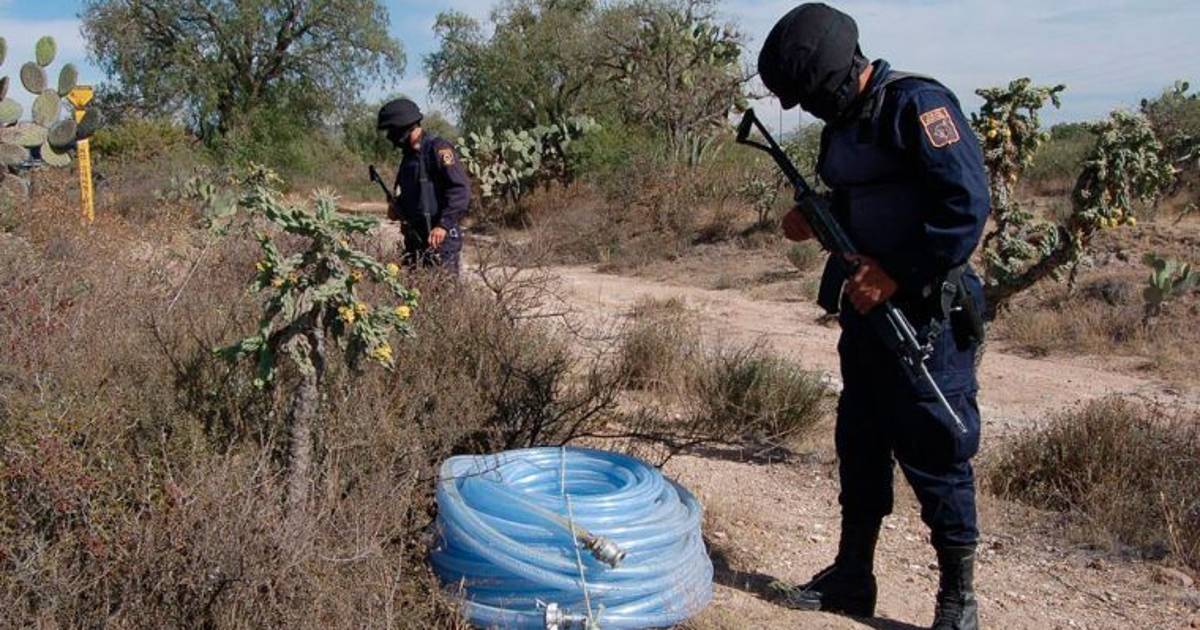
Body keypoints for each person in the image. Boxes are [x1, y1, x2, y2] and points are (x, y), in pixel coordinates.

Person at [756, 4, 990, 630]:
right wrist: (816, 218)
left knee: (937, 447)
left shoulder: (917, 105)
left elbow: (965, 207)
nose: (809, 110)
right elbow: (857, 199)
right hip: (864, 313)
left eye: (810, 95)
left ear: (835, 74)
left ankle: (958, 598)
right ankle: (852, 576)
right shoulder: (842, 127)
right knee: (860, 441)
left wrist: (897, 272)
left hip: (925, 317)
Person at [376, 98, 471, 274]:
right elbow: (412, 194)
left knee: (444, 289)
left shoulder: (438, 149)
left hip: (441, 242)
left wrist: (443, 225)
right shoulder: (408, 157)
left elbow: (460, 190)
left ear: (402, 127)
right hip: (415, 241)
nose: (390, 137)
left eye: (391, 130)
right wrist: (397, 207)